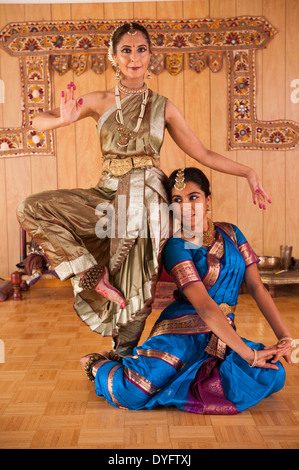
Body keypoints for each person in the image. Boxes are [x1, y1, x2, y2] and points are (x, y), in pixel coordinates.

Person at [17, 22, 271, 360]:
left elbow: (204, 153)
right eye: (126, 50)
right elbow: (38, 121)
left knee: (138, 280)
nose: (134, 57)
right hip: (107, 196)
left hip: (149, 199)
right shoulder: (99, 100)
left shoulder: (164, 107)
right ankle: (92, 274)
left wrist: (249, 173)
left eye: (141, 50)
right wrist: (61, 119)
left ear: (151, 56)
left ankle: (121, 354)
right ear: (113, 56)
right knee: (31, 207)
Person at [80, 167, 293, 414]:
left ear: (207, 200)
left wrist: (285, 337)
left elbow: (257, 288)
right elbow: (203, 306)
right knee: (133, 393)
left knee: (274, 375)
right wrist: (249, 355)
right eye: (177, 200)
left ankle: (184, 381)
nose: (186, 206)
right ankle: (98, 363)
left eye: (193, 197)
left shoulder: (232, 234)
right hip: (182, 334)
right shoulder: (175, 245)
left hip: (222, 335)